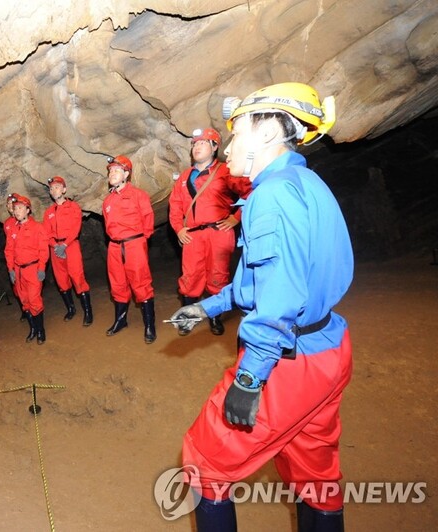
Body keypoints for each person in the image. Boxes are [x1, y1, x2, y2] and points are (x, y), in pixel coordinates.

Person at [169, 82, 350, 531]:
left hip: (287, 361)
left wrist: (250, 379)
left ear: (268, 130)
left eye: (238, 131)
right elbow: (266, 281)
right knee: (315, 474)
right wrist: (208, 307)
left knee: (203, 463)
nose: (230, 144)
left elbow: (280, 298)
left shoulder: (271, 196)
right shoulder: (303, 182)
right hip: (328, 345)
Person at [168, 127, 252, 336]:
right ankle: (188, 318)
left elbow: (252, 192)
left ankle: (214, 318)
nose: (197, 147)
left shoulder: (225, 171)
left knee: (218, 276)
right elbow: (176, 205)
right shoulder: (185, 176)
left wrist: (236, 218)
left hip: (219, 232)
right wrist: (178, 229)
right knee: (190, 277)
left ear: (215, 147)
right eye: (195, 144)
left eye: (203, 143)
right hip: (193, 235)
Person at [102, 155, 157, 343]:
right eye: (110, 170)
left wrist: (140, 242)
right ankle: (120, 320)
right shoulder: (107, 201)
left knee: (141, 282)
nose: (112, 173)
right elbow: (108, 226)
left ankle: (150, 325)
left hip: (134, 244)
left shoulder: (138, 195)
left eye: (116, 170)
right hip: (114, 246)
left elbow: (148, 221)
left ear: (126, 174)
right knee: (117, 283)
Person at [43, 176, 93, 326]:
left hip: (70, 246)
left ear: (64, 190)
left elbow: (76, 227)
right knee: (61, 280)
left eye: (57, 187)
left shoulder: (73, 207)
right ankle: (71, 309)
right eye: (51, 188)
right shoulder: (49, 212)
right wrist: (55, 246)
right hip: (55, 249)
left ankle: (88, 312)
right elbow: (46, 232)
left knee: (77, 277)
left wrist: (64, 245)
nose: (54, 190)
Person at [5, 194, 49, 344]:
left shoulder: (38, 227)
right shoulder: (12, 230)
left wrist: (42, 268)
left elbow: (44, 250)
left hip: (33, 268)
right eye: (15, 208)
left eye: (20, 208)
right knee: (25, 301)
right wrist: (11, 269)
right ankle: (33, 329)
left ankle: (40, 331)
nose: (17, 211)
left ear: (28, 210)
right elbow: (9, 251)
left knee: (35, 300)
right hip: (18, 270)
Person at [3, 193, 29, 322]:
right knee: (17, 289)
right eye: (8, 205)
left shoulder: (25, 219)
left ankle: (32, 310)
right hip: (14, 261)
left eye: (12, 204)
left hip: (26, 259)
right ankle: (24, 310)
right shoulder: (7, 224)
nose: (10, 207)